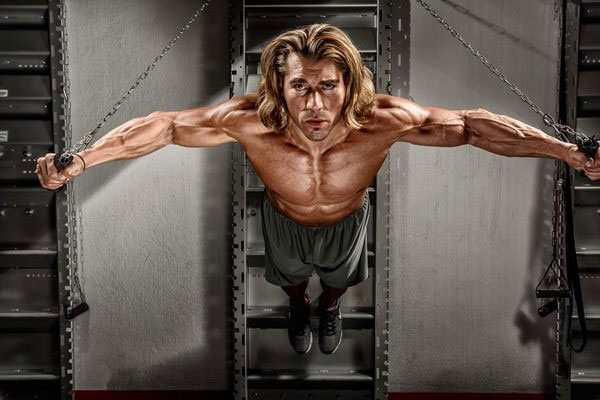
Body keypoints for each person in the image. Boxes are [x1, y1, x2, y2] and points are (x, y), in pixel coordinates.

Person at [36, 24, 600, 355]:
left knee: (337, 284)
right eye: (299, 87)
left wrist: (569, 152)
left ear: (349, 82)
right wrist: (83, 160)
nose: (313, 105)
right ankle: (300, 307)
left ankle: (327, 305)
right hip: (282, 221)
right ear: (278, 86)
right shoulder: (250, 119)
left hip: (348, 222)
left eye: (327, 87)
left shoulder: (383, 119)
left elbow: (473, 125)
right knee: (291, 283)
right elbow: (163, 126)